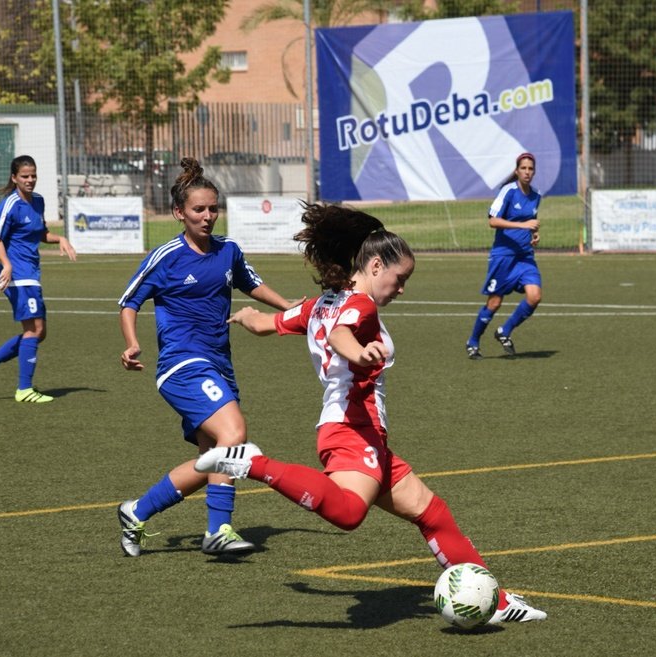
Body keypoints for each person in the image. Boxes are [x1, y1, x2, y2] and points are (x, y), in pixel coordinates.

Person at [195, 203, 546, 624]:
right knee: (347, 513)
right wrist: (359, 352)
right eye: (400, 279)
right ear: (376, 265)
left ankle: (498, 602)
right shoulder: (359, 306)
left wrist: (252, 317)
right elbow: (343, 333)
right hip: (350, 430)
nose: (401, 289)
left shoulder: (320, 304)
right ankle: (253, 463)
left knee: (431, 512)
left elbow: (274, 323)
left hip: (365, 436)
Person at [115, 157, 300, 558]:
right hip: (182, 365)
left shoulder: (228, 250)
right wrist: (132, 343)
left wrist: (286, 306)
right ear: (179, 213)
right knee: (235, 432)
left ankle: (136, 511)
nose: (208, 216)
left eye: (213, 208)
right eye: (199, 209)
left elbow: (252, 284)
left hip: (219, 365)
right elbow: (129, 303)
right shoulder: (166, 256)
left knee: (213, 458)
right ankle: (220, 530)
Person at [0, 155, 76, 403]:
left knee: (39, 333)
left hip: (31, 273)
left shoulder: (38, 201)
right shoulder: (10, 204)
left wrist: (59, 238)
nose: (30, 180)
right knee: (34, 330)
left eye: (33, 175)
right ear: (14, 178)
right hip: (17, 275)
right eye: (25, 176)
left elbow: (40, 233)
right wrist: (6, 265)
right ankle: (24, 389)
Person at [465, 152, 542, 359]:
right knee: (494, 303)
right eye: (523, 168)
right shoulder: (508, 191)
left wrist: (534, 234)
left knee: (535, 296)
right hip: (503, 256)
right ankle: (473, 342)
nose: (527, 172)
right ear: (517, 171)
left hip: (525, 256)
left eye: (530, 169)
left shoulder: (536, 196)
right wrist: (522, 225)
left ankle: (505, 331)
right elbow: (493, 221)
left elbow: (531, 220)